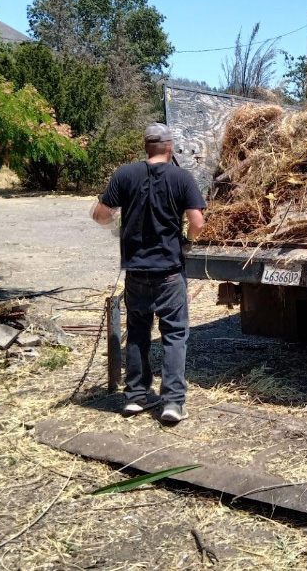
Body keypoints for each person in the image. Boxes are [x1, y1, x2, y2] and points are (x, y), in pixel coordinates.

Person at [92, 123, 206, 422]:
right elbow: (197, 222)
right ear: (170, 147)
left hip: (136, 273)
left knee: (139, 333)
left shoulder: (124, 175)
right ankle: (172, 403)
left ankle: (135, 397)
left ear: (146, 147)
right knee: (174, 335)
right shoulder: (182, 177)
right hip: (169, 273)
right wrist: (187, 242)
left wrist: (120, 229)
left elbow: (101, 215)